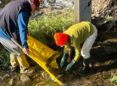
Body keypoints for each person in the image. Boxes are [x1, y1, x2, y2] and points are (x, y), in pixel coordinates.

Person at [0, 0, 40, 74]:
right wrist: (24, 45)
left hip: (3, 25)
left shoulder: (21, 3)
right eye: (36, 8)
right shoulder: (24, 11)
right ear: (32, 4)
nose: (36, 10)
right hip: (3, 31)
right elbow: (22, 28)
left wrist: (26, 31)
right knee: (18, 49)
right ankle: (25, 69)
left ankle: (14, 66)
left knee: (12, 48)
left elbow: (16, 19)